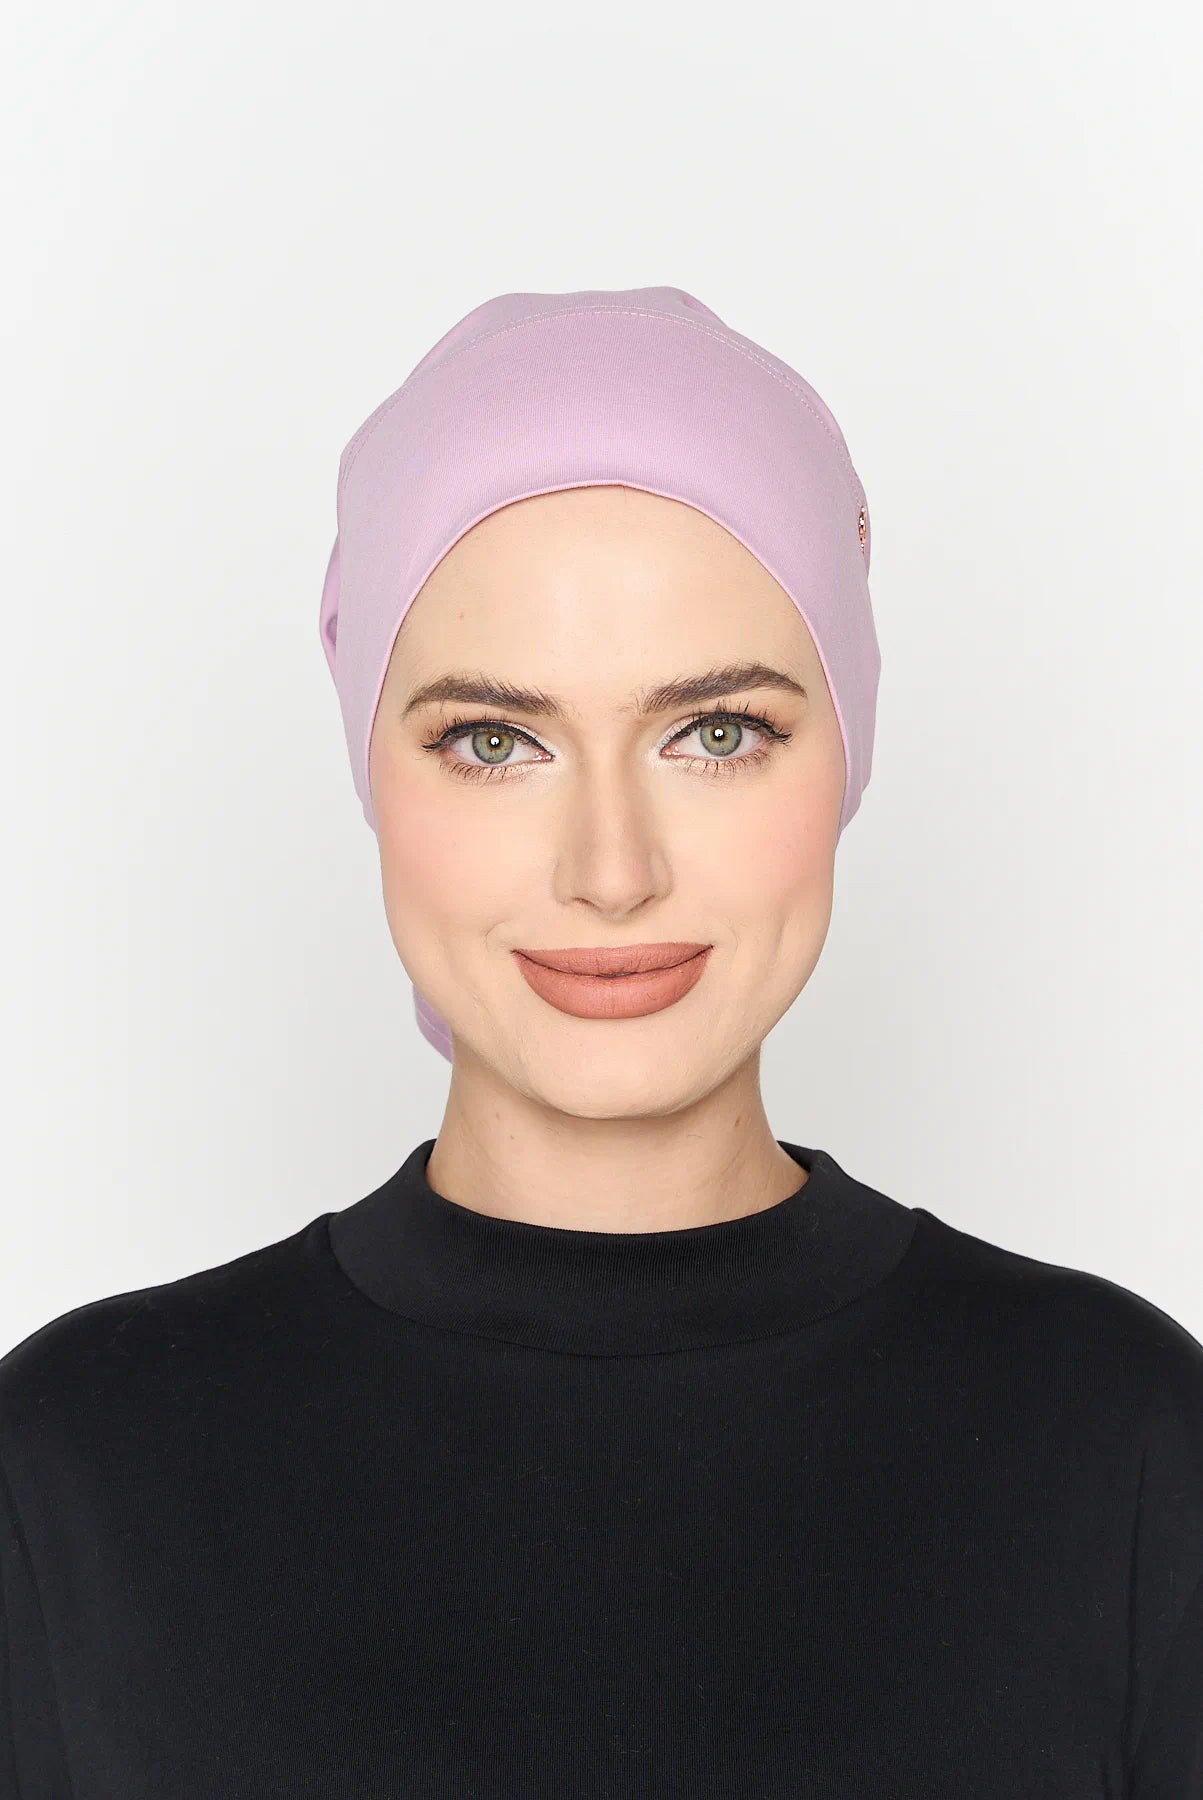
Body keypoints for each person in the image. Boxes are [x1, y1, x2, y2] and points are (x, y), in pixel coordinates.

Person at [2, 288, 1200, 1798]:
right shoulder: (75, 1468)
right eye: (494, 741)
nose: (612, 870)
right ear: (373, 772)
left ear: (845, 757)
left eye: (719, 732)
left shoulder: (1126, 1441)